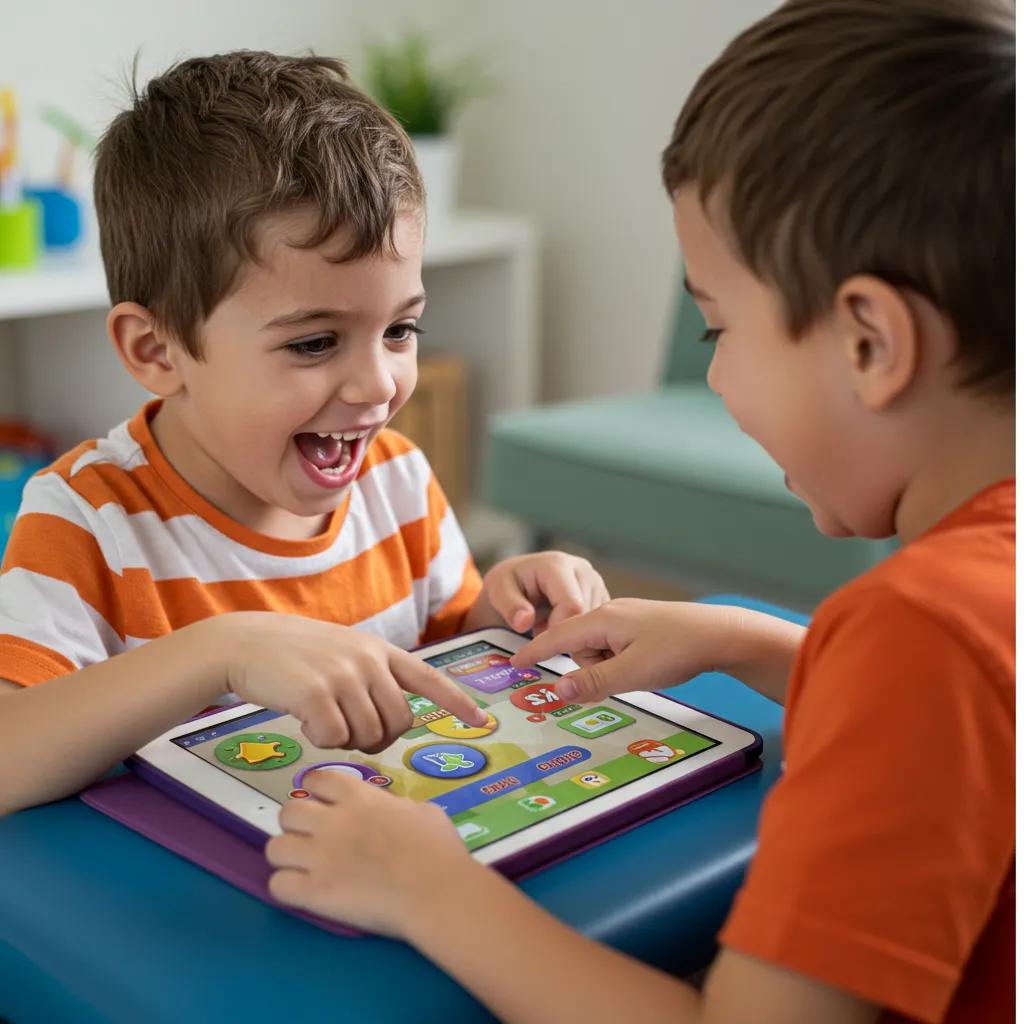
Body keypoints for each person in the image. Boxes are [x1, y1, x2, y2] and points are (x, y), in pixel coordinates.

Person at [266, 3, 1014, 1022]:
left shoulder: (918, 631)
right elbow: (969, 717)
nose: (718, 380)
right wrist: (739, 637)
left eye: (717, 331)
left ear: (870, 344)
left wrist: (428, 890)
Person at [0, 52, 608, 816]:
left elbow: (446, 653)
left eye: (400, 329)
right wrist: (223, 651)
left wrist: (509, 614)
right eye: (315, 343)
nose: (379, 385)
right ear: (157, 351)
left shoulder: (396, 479)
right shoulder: (86, 521)